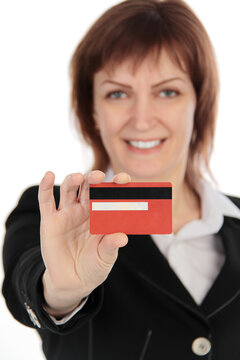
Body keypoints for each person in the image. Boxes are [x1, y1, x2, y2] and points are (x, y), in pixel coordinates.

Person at [2, 0, 240, 359]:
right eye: (117, 93)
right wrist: (61, 289)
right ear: (93, 111)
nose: (142, 119)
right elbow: (29, 282)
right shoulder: (52, 212)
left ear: (199, 103)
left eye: (167, 91)